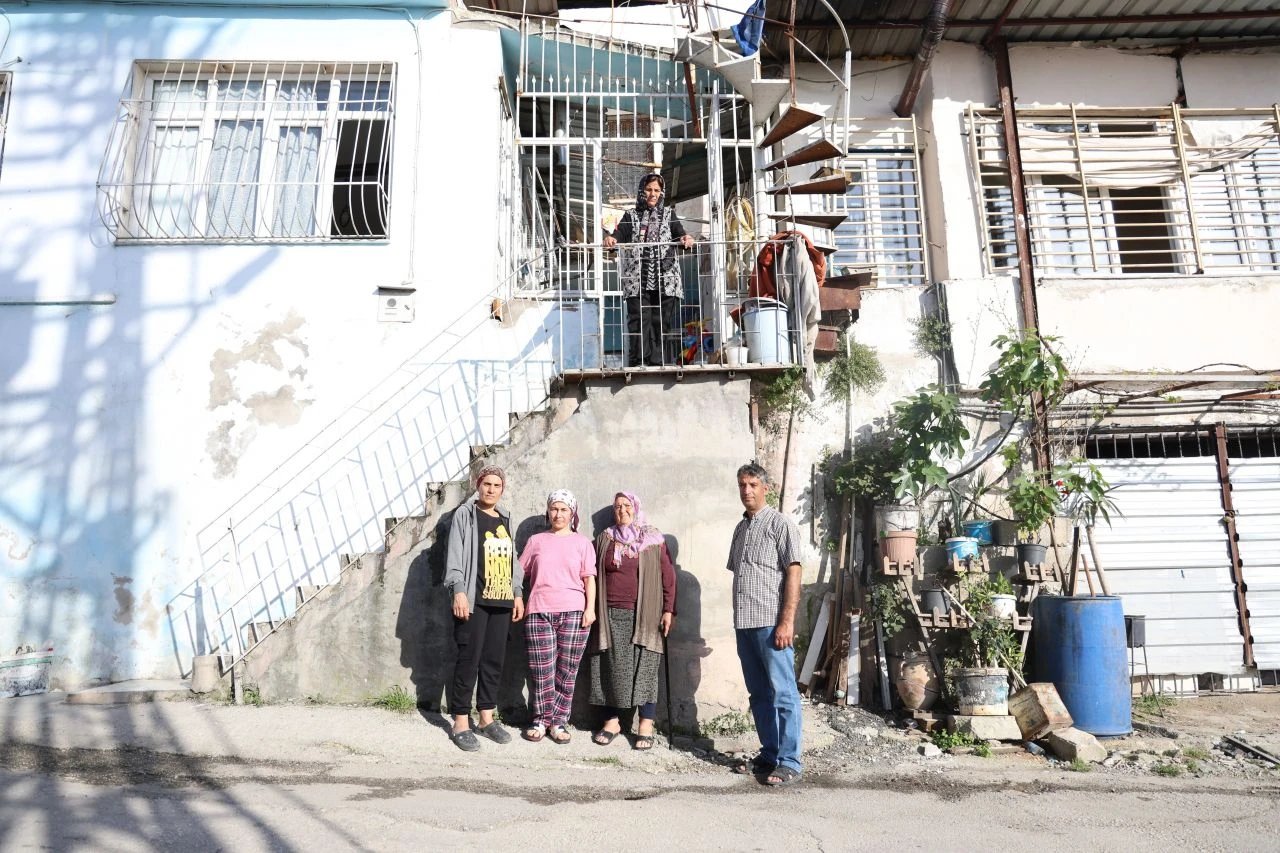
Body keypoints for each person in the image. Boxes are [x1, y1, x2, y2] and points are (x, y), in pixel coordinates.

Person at [726, 462, 804, 786]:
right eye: (743, 485)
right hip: (744, 624)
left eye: (753, 485)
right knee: (758, 694)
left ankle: (790, 761)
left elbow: (794, 572)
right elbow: (740, 574)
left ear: (765, 488)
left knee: (784, 693)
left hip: (771, 624)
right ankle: (770, 753)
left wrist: (786, 621)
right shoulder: (740, 529)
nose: (747, 491)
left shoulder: (780, 525)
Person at [443, 465, 524, 751]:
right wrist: (459, 591)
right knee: (469, 659)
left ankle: (486, 718)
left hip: (501, 600)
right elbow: (454, 555)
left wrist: (517, 593)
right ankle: (461, 721)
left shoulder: (505, 518)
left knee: (493, 661)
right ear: (478, 486)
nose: (491, 489)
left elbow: (513, 560)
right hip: (474, 600)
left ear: (503, 490)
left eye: (496, 485)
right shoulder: (465, 515)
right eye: (486, 484)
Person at [587, 491, 676, 751]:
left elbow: (668, 576)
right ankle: (612, 721)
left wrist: (669, 610)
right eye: (617, 507)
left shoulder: (652, 539)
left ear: (636, 508)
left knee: (646, 669)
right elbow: (590, 572)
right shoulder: (604, 539)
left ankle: (645, 724)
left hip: (646, 615)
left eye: (627, 505)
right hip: (610, 613)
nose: (622, 510)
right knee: (611, 668)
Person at [519, 489, 597, 744]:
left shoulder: (582, 543)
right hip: (539, 610)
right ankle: (541, 720)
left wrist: (590, 609)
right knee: (542, 670)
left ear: (572, 513)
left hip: (574, 611)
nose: (558, 514)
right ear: (548, 511)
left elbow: (589, 579)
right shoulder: (536, 541)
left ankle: (559, 721)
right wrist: (518, 598)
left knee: (567, 670)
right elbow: (519, 574)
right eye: (554, 508)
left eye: (564, 509)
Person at [603, 173, 695, 367]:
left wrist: (686, 239)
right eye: (649, 189)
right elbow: (620, 233)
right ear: (641, 191)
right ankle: (639, 362)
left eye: (657, 190)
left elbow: (680, 234)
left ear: (661, 193)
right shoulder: (631, 215)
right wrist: (612, 239)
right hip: (638, 279)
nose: (653, 194)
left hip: (665, 278)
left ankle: (657, 362)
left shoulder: (669, 215)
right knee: (638, 320)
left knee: (660, 321)